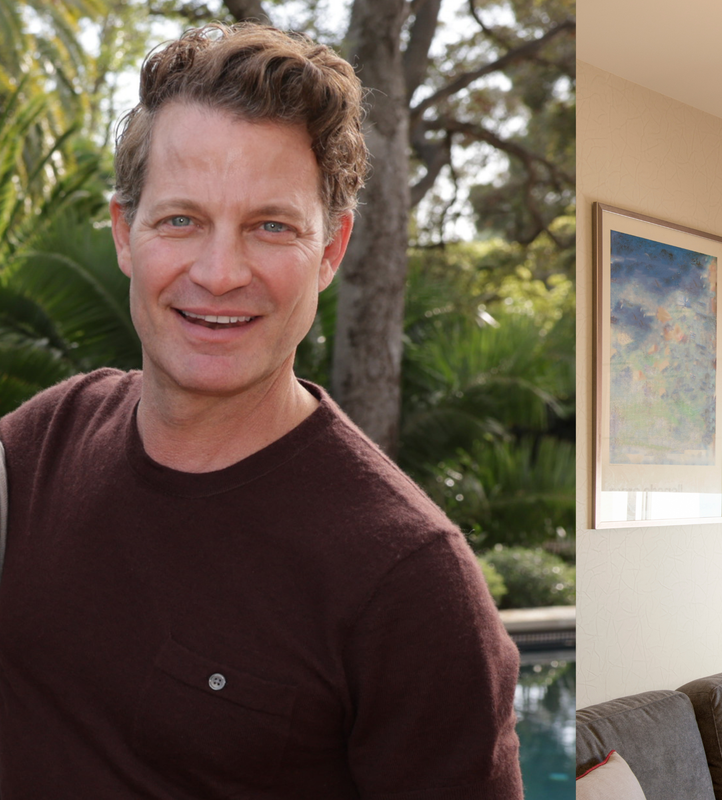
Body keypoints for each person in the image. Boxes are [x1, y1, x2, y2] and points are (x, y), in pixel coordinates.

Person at [0, 23, 523, 798]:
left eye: (270, 227)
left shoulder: (411, 584)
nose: (219, 273)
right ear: (123, 234)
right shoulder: (43, 442)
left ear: (331, 250)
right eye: (180, 219)